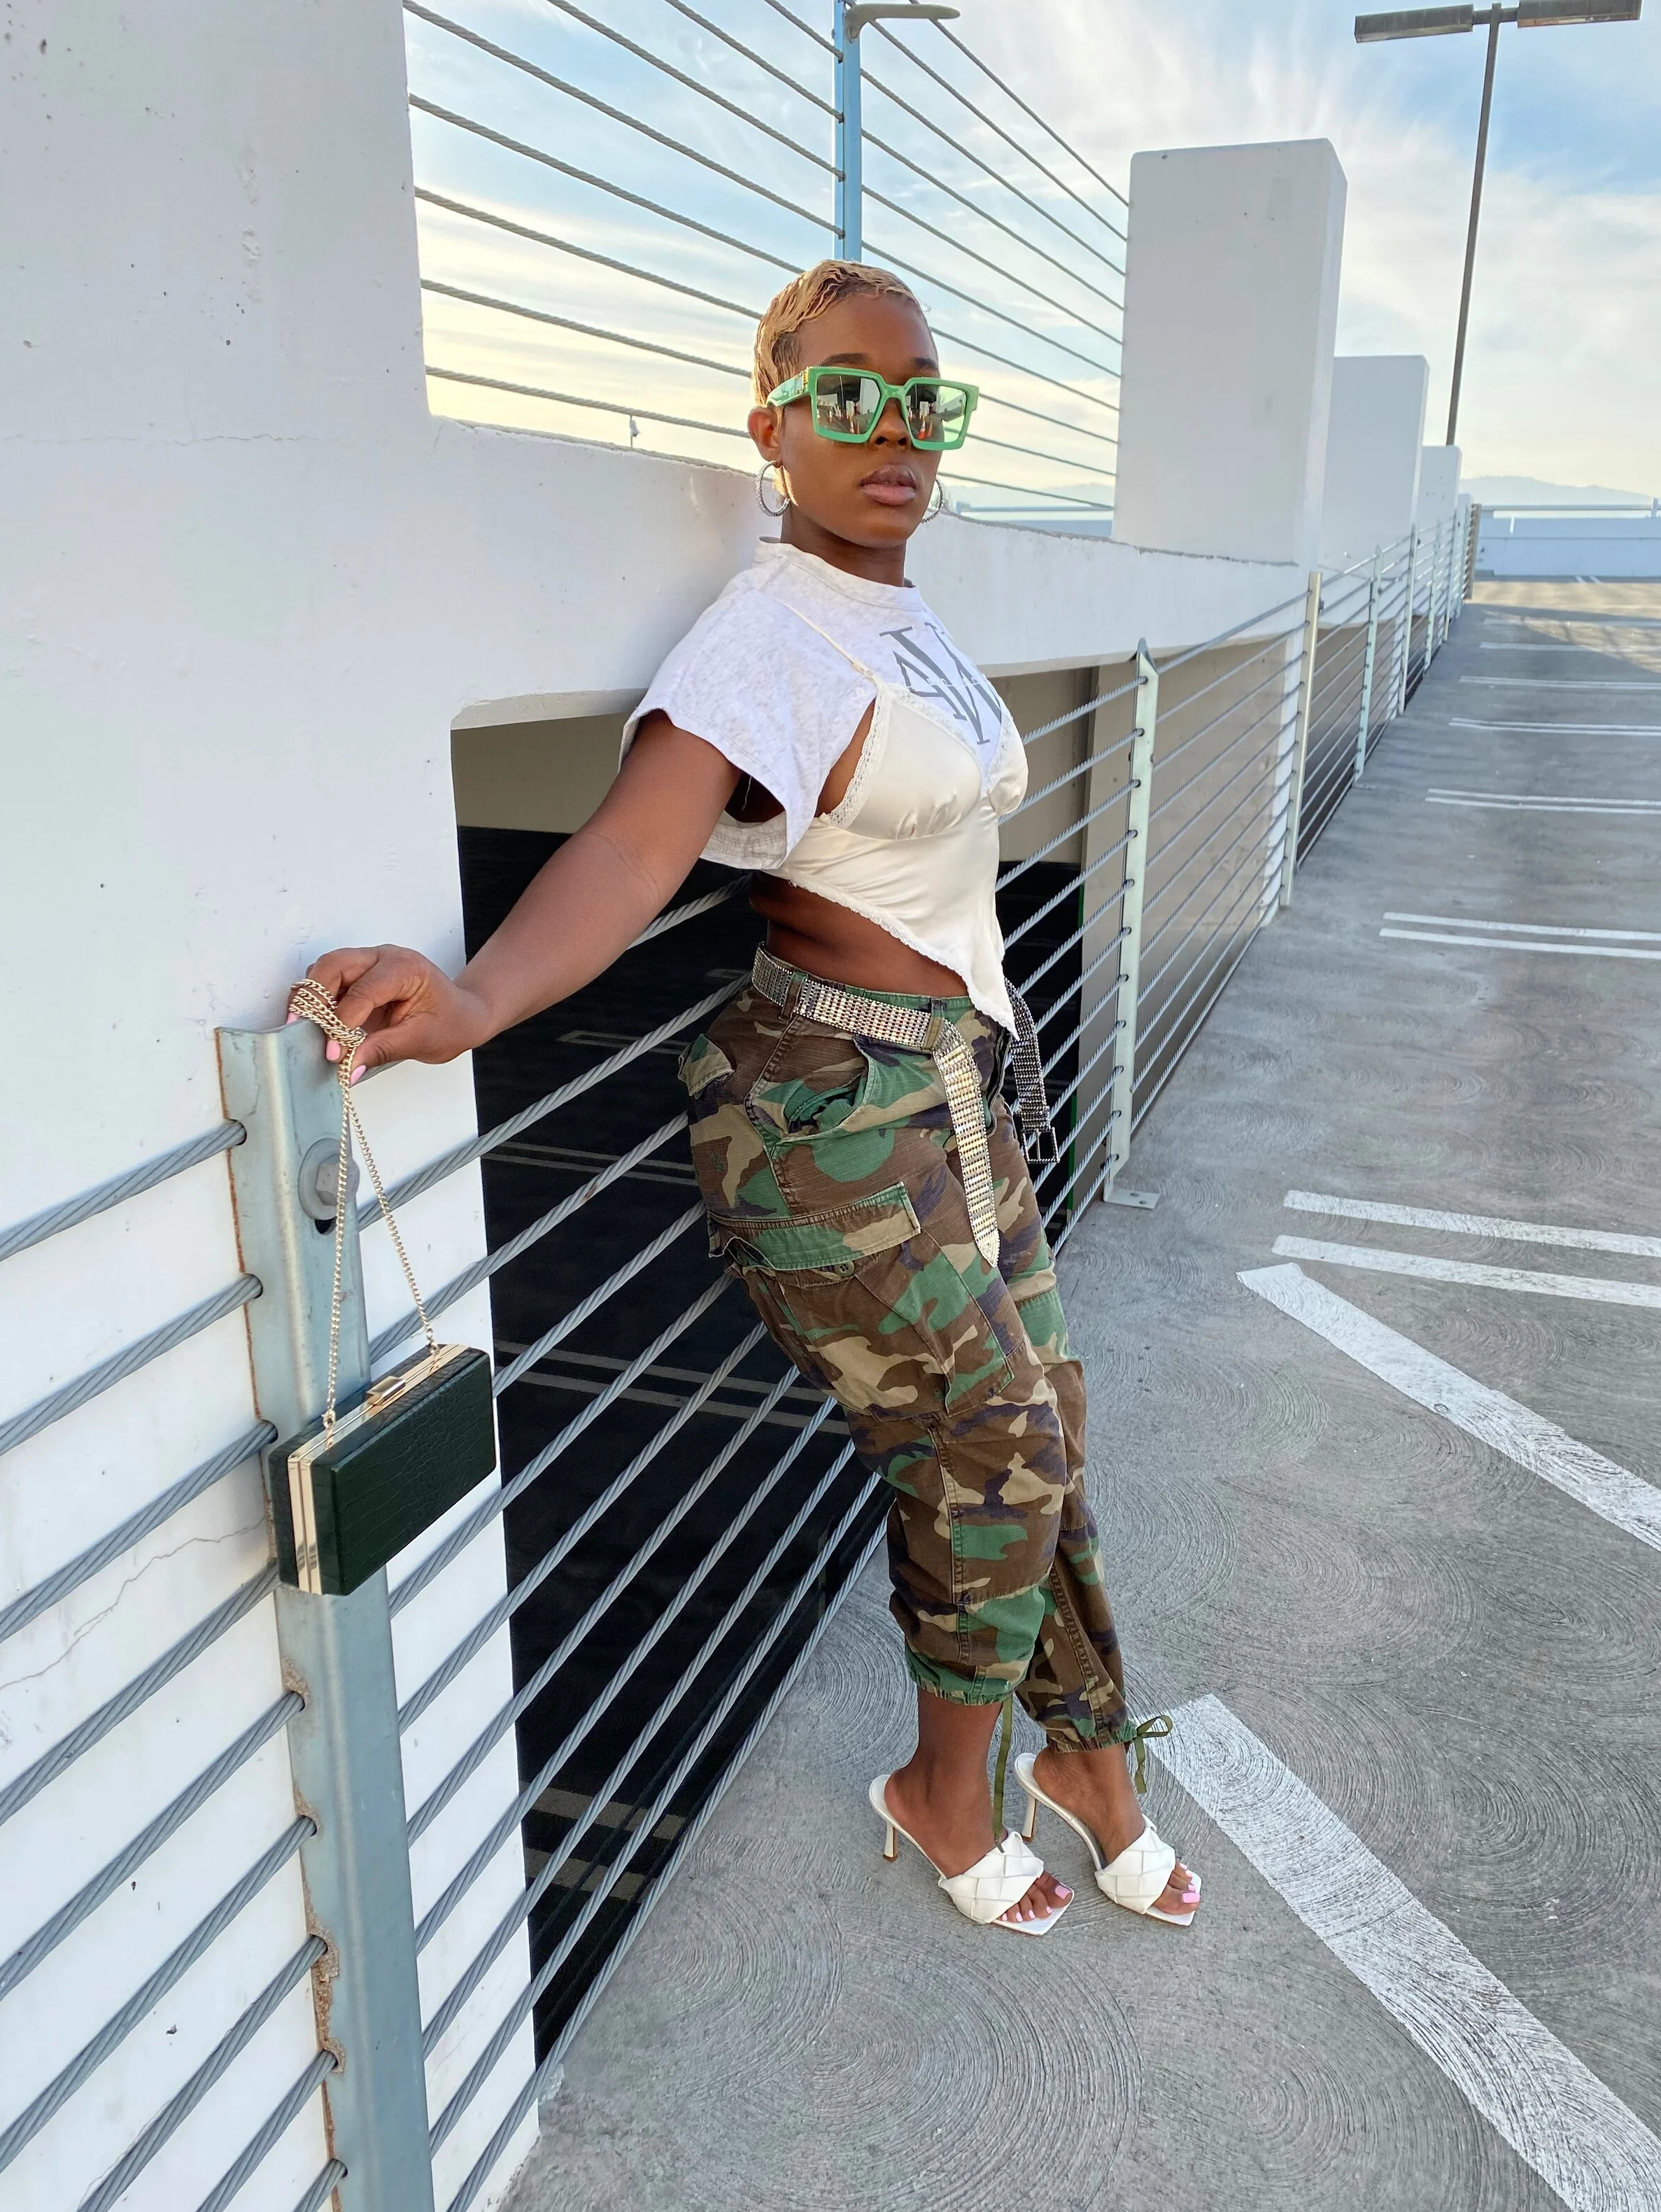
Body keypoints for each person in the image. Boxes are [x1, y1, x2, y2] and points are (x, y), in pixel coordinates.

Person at [295, 260, 1201, 1935]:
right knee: (990, 1441)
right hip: (827, 1112)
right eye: (847, 394)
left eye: (922, 400)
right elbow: (632, 843)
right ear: (771, 423)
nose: (892, 431)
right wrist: (477, 996)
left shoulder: (903, 615)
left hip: (956, 1086)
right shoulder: (761, 637)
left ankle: (1085, 1757)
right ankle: (941, 1791)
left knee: (1047, 1417)